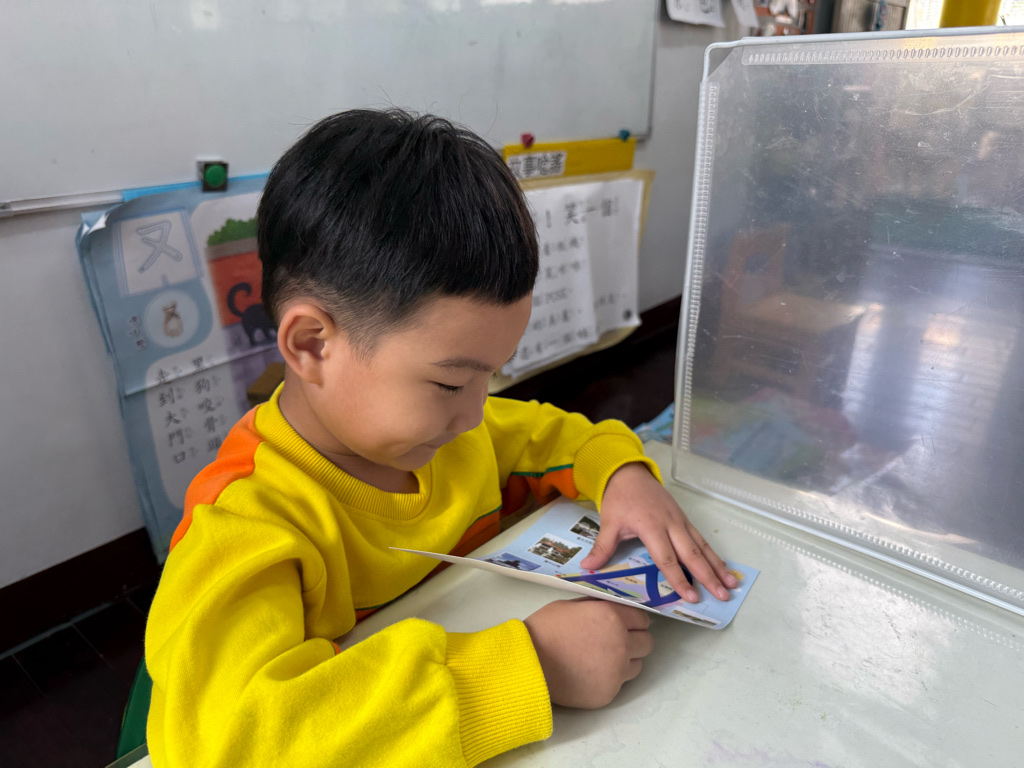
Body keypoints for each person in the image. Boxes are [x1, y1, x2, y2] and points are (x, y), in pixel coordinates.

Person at [144, 109, 737, 767]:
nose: (476, 414)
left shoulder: (448, 435)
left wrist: (622, 474)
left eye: (492, 375)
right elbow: (235, 745)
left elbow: (550, 434)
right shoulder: (242, 526)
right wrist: (531, 666)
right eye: (451, 383)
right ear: (312, 344)